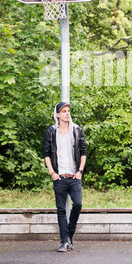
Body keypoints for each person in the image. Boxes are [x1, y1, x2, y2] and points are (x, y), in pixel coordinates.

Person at [43, 102, 87, 252]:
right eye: (63, 111)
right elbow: (46, 154)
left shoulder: (76, 130)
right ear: (57, 115)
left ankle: (70, 233)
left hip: (74, 177)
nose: (67, 114)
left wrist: (80, 171)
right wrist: (52, 173)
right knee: (61, 210)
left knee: (78, 204)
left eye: (68, 111)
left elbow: (83, 152)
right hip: (59, 177)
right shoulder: (51, 131)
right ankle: (64, 241)